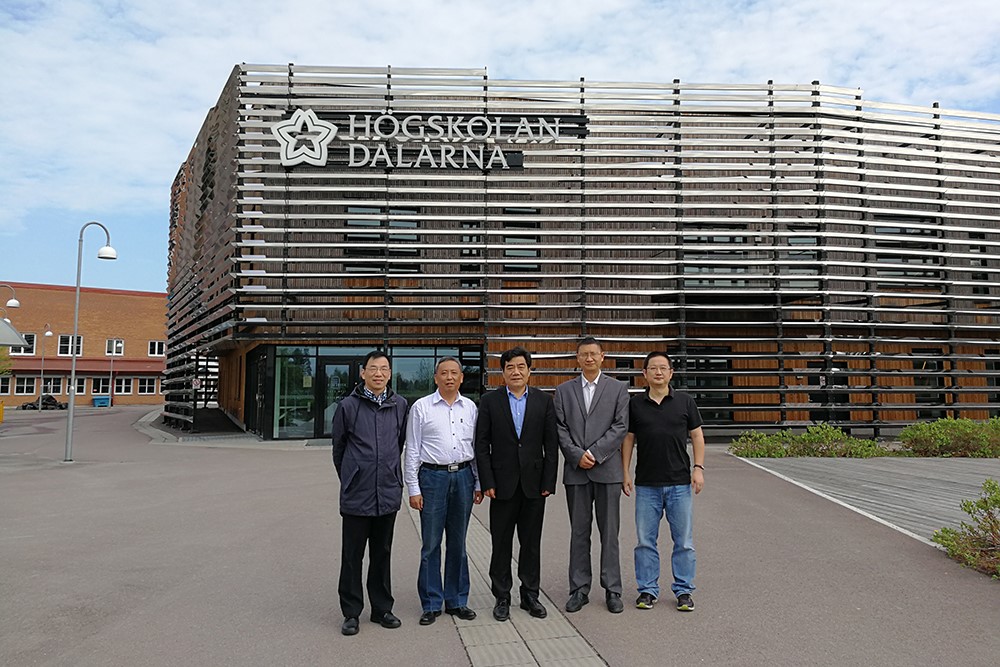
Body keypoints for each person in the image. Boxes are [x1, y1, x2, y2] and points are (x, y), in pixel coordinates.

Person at [474, 347, 558, 622]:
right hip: (501, 484)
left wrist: (549, 481)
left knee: (531, 543)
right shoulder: (490, 401)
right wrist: (487, 481)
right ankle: (502, 596)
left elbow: (551, 444)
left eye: (521, 366)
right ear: (503, 372)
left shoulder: (544, 402)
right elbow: (481, 444)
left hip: (535, 485)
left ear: (529, 371)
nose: (516, 371)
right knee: (501, 543)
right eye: (510, 367)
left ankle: (530, 595)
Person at [331, 350, 410, 636]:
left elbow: (399, 443)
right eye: (373, 368)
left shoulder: (400, 405)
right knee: (352, 556)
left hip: (387, 492)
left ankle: (382, 609)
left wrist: (388, 474)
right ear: (363, 373)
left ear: (390, 373)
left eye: (384, 369)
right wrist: (351, 478)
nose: (379, 373)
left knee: (382, 554)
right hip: (357, 494)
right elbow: (339, 449)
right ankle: (351, 613)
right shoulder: (348, 407)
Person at [622, 352, 705, 612]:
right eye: (653, 368)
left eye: (663, 368)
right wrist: (624, 472)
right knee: (645, 541)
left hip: (679, 483)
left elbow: (698, 436)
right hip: (647, 485)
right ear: (644, 374)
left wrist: (698, 468)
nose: (658, 372)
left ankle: (684, 591)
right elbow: (628, 440)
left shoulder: (685, 402)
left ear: (671, 373)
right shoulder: (635, 404)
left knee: (683, 541)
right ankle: (647, 590)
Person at [553, 337, 630, 614]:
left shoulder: (618, 389)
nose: (589, 358)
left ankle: (613, 589)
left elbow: (621, 426)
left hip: (607, 470)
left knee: (610, 533)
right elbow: (560, 429)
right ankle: (579, 589)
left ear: (602, 356)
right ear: (577, 358)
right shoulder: (563, 391)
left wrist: (595, 453)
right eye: (583, 354)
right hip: (576, 472)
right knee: (579, 533)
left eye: (593, 354)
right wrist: (576, 455)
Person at [405, 357, 483, 625]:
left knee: (459, 544)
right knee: (431, 544)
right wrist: (413, 488)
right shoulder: (421, 408)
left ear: (462, 378)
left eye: (454, 373)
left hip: (462, 476)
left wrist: (478, 482)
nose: (449, 377)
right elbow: (412, 449)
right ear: (436, 378)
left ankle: (457, 600)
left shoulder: (471, 407)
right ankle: (430, 603)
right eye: (444, 373)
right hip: (432, 478)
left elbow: (476, 447)